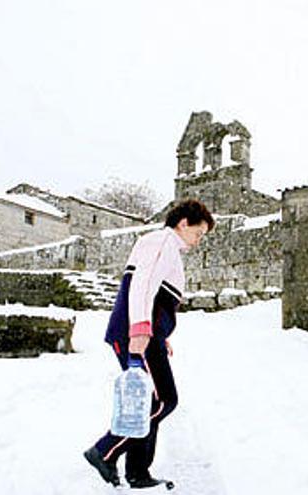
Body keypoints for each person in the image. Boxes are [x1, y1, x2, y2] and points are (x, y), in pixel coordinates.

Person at [84, 199, 214, 489]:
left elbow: (157, 296)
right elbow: (142, 285)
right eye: (198, 233)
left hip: (146, 334)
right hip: (136, 334)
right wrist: (141, 330)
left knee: (153, 401)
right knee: (161, 401)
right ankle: (104, 452)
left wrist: (160, 333)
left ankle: (137, 472)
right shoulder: (160, 241)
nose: (198, 240)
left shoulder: (166, 247)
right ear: (183, 223)